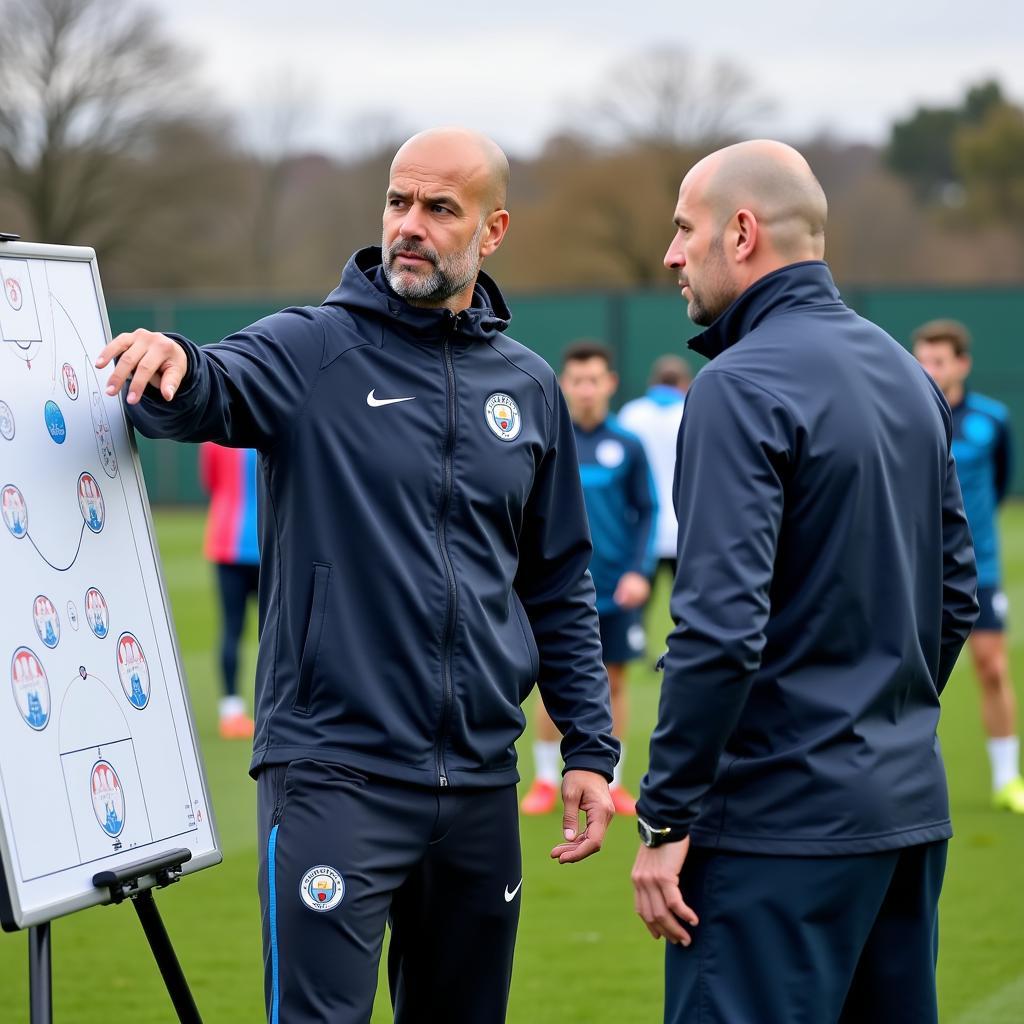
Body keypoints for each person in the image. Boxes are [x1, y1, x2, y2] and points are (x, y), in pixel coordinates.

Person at [96, 127, 617, 1024]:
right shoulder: (313, 348)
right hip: (334, 775)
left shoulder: (528, 388)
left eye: (439, 208)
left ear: (492, 232)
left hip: (481, 783)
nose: (408, 226)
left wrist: (590, 748)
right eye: (397, 201)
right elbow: (214, 383)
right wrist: (174, 363)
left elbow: (558, 582)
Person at [630, 140, 978, 1024]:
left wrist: (664, 821)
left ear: (741, 232)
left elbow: (718, 634)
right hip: (901, 814)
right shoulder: (908, 375)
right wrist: (873, 726)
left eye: (684, 229)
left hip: (774, 834)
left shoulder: (736, 385)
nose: (671, 254)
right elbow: (955, 598)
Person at [521, 341, 657, 817]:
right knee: (551, 678)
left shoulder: (629, 445)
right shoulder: (550, 437)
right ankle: (542, 779)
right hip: (557, 586)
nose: (585, 389)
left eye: (594, 379)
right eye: (576, 380)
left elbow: (647, 511)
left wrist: (640, 573)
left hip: (616, 587)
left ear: (610, 384)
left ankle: (613, 780)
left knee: (613, 680)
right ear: (565, 384)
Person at [913, 319, 1023, 812]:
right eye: (922, 360)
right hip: (914, 567)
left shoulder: (992, 419)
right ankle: (903, 777)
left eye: (938, 360)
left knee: (992, 667)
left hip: (981, 566)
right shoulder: (903, 413)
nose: (929, 370)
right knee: (905, 671)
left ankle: (1007, 778)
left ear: (962, 364)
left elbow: (999, 483)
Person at [199, 441, 260, 739]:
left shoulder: (214, 435)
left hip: (226, 540)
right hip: (266, 544)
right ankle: (279, 709)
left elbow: (209, 481)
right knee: (276, 633)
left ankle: (231, 712)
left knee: (231, 628)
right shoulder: (270, 418)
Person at [617, 355, 690, 581]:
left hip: (641, 528)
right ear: (684, 383)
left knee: (635, 612)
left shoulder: (631, 414)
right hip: (684, 526)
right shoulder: (690, 411)